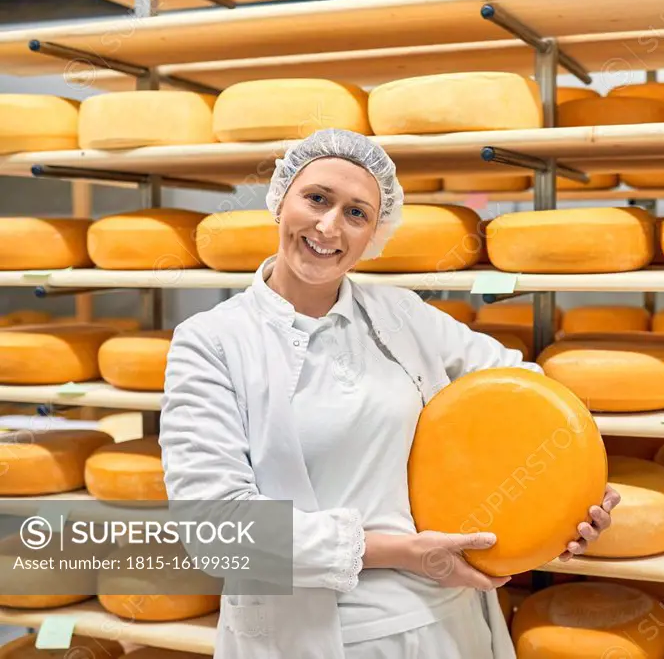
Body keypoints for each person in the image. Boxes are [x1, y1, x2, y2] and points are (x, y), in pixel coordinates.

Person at [159, 128, 620, 659]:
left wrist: (572, 492)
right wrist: (405, 553)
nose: (329, 226)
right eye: (317, 199)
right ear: (280, 199)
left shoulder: (401, 314)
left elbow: (530, 395)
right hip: (315, 637)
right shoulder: (213, 340)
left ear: (375, 232)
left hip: (447, 622)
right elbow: (217, 528)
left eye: (357, 213)